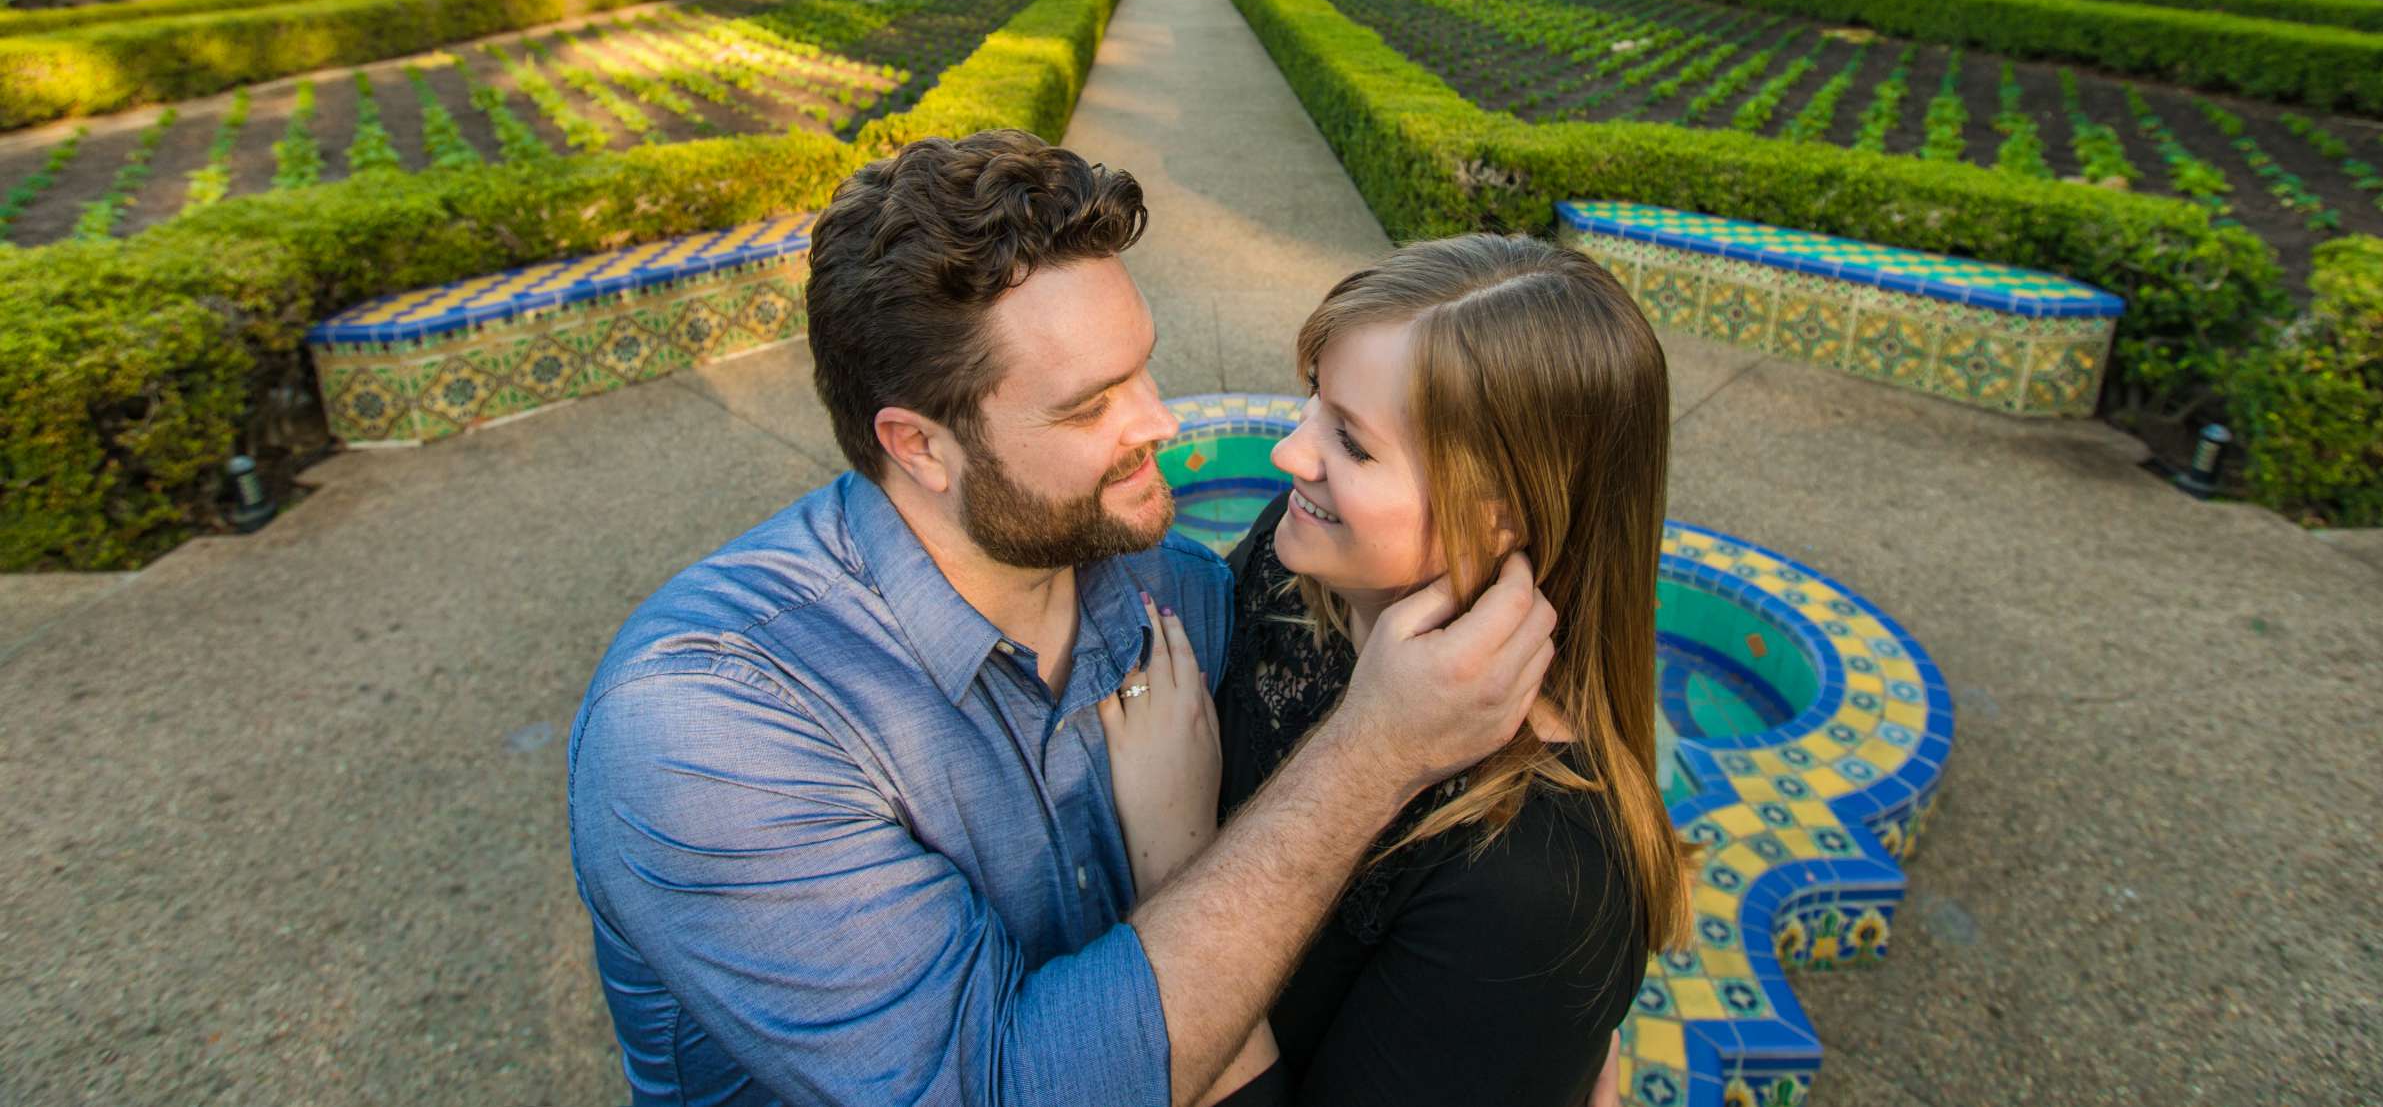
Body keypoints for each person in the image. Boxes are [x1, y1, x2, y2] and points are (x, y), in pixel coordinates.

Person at [566, 131, 1558, 1107]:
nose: (1160, 422)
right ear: (918, 445)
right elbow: (992, 1084)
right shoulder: (708, 731)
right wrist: (1373, 754)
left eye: (1142, 367)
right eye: (1090, 407)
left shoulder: (1174, 591)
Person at [1101, 235, 1694, 1106]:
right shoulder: (1300, 558)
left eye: (1353, 442)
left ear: (1502, 515)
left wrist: (1172, 850)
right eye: (1315, 402)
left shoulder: (1542, 885)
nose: (1290, 457)